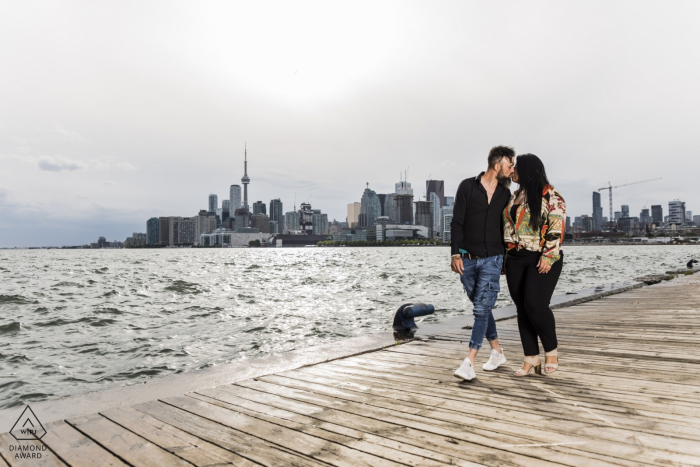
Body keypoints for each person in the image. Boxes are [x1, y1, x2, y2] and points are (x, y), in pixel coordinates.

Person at [451, 146, 515, 381]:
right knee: (482, 307)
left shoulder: (505, 195)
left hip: (493, 259)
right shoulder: (467, 187)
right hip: (466, 260)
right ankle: (497, 352)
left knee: (480, 308)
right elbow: (457, 223)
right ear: (497, 166)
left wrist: (506, 262)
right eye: (510, 166)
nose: (512, 171)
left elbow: (505, 229)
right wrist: (455, 254)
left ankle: (470, 361)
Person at [503, 154, 566, 376]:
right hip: (514, 259)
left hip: (541, 257)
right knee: (522, 309)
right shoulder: (514, 196)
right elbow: (508, 229)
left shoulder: (551, 195)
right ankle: (530, 356)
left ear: (528, 170)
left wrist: (548, 257)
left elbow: (555, 228)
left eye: (516, 167)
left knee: (535, 305)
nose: (513, 171)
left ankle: (551, 351)